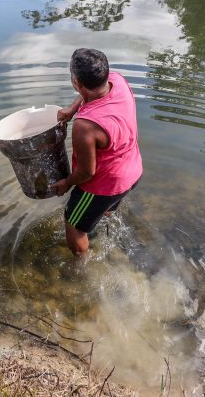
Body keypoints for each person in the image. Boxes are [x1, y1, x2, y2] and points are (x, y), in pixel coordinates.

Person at [51, 48, 143, 256]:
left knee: (74, 226)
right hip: (133, 172)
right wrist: (72, 110)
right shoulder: (117, 81)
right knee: (104, 209)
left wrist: (66, 183)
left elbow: (86, 173)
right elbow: (91, 93)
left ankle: (82, 266)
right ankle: (103, 220)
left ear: (77, 83)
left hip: (105, 185)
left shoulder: (86, 126)